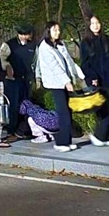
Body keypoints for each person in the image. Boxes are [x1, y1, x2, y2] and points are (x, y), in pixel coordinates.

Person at [37, 21, 83, 152]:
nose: (57, 32)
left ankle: (67, 141)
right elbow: (55, 68)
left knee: (67, 112)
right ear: (48, 31)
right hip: (56, 84)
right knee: (63, 113)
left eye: (58, 30)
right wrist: (66, 82)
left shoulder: (60, 45)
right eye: (54, 30)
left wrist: (81, 75)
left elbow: (70, 62)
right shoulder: (44, 47)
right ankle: (61, 142)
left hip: (64, 82)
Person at [79, 15, 109, 147]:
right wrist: (92, 78)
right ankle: (99, 136)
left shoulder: (108, 40)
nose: (96, 25)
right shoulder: (86, 43)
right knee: (104, 108)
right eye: (92, 23)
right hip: (97, 81)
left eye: (97, 22)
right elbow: (85, 64)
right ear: (88, 26)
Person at [2, 26, 35, 139]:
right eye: (23, 34)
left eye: (27, 34)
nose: (25, 37)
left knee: (27, 104)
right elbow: (1, 58)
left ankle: (24, 129)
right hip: (13, 80)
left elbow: (36, 61)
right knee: (13, 105)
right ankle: (12, 129)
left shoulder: (33, 45)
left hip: (27, 79)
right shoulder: (9, 45)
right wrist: (7, 67)